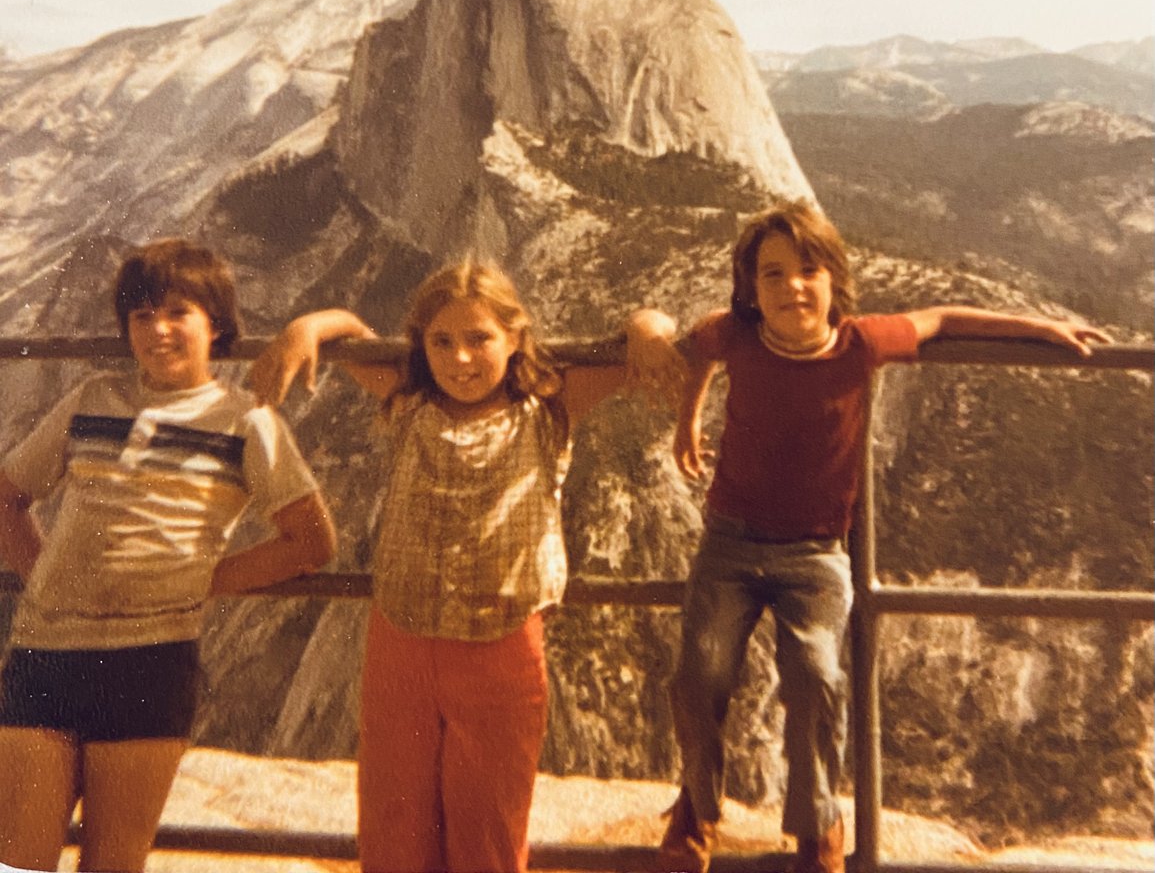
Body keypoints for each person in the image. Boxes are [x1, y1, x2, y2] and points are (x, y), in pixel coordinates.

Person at [657, 201, 1109, 873]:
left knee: (815, 678)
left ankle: (818, 828)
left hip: (813, 554)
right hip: (728, 543)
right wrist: (688, 419)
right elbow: (692, 349)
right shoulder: (737, 335)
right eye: (772, 274)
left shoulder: (859, 345)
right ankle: (696, 813)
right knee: (698, 674)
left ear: (834, 280)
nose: (791, 287)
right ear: (750, 289)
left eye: (807, 270)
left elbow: (945, 319)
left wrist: (1039, 325)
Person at [248, 259, 679, 873]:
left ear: (515, 336)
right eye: (441, 341)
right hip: (402, 640)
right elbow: (348, 334)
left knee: (490, 830)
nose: (461, 359)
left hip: (501, 647)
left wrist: (646, 326)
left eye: (480, 339)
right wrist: (305, 329)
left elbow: (643, 332)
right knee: (393, 824)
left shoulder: (549, 407)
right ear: (420, 345)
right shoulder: (410, 398)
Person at [0, 238, 337, 873]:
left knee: (113, 863)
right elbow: (7, 497)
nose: (159, 330)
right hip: (45, 653)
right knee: (18, 860)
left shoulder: (247, 422)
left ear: (217, 324)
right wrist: (42, 576)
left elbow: (311, 541)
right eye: (142, 316)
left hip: (149, 664)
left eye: (179, 312)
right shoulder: (93, 398)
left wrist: (199, 582)